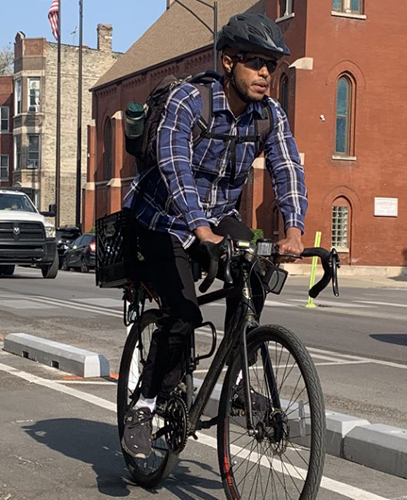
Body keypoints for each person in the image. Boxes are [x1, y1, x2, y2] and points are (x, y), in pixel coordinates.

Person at [120, 13, 309, 459]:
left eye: (272, 65)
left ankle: (237, 382)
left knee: (257, 270)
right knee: (182, 314)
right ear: (228, 62)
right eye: (255, 63)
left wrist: (294, 230)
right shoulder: (190, 100)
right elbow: (174, 165)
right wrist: (199, 228)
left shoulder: (269, 115)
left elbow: (286, 168)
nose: (266, 73)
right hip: (159, 217)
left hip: (218, 215)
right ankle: (144, 406)